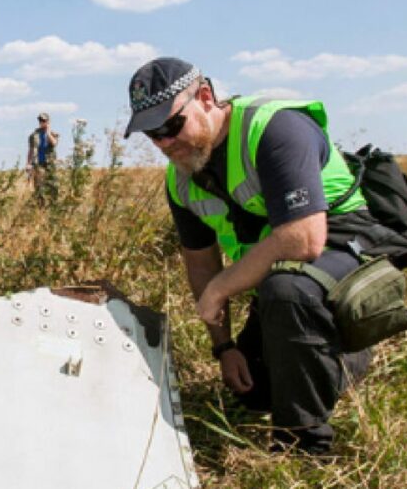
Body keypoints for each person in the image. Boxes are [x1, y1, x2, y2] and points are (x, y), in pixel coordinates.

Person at [125, 57, 378, 455]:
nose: (165, 143)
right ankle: (333, 356)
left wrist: (220, 290)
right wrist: (224, 349)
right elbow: (201, 264)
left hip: (345, 245)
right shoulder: (182, 181)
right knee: (256, 389)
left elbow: (303, 239)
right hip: (281, 268)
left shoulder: (275, 129)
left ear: (205, 97)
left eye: (172, 126)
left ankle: (302, 445)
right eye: (152, 135)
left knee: (287, 290)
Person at [26, 112, 61, 203]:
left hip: (51, 164)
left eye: (44, 120)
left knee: (53, 185)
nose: (42, 122)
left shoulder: (54, 134)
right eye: (40, 120)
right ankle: (40, 208)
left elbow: (54, 143)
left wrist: (48, 133)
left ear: (48, 121)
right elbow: (30, 150)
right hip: (38, 164)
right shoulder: (33, 135)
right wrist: (28, 163)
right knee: (39, 187)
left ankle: (53, 205)